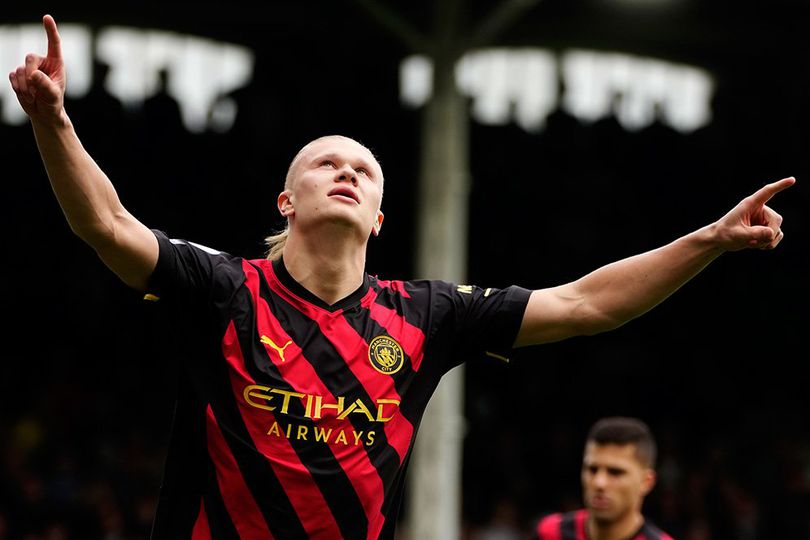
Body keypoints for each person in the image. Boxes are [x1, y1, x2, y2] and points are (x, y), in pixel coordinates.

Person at [9, 14, 793, 540]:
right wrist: (52, 119)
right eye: (327, 163)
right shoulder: (223, 288)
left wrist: (709, 240)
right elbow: (105, 225)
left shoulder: (425, 315)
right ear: (287, 198)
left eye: (366, 170)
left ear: (380, 216)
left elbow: (587, 304)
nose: (347, 173)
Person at [533, 417, 672, 540]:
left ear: (646, 482)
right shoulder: (551, 533)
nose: (599, 482)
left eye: (615, 472)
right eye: (592, 470)